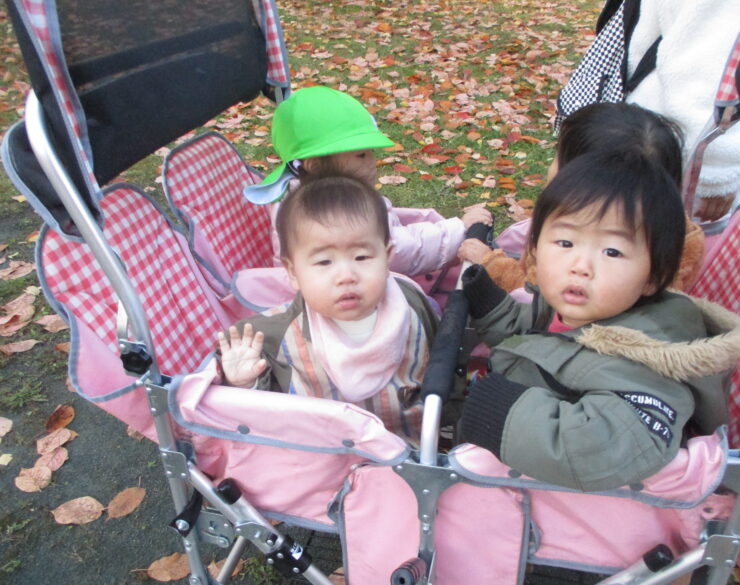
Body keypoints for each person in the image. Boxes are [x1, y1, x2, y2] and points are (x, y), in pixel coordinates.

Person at [458, 150, 740, 492]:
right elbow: (538, 342)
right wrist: (491, 306)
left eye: (612, 252)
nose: (581, 265)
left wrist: (496, 409)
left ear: (654, 277)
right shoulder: (581, 310)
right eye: (565, 242)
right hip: (507, 427)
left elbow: (604, 447)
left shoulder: (649, 362)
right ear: (536, 250)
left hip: (545, 496)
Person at [218, 174, 439, 439]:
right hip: (322, 457)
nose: (346, 276)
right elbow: (263, 416)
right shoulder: (269, 337)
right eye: (324, 262)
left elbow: (445, 363)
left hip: (412, 451)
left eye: (361, 257)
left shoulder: (412, 307)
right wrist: (245, 383)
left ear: (387, 257)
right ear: (293, 272)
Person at [243, 85, 492, 276]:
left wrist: (434, 223)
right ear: (316, 166)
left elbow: (389, 222)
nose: (373, 162)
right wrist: (456, 230)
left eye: (371, 152)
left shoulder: (323, 193)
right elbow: (396, 250)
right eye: (361, 155)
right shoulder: (326, 212)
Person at [458, 102, 705, 294]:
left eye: (557, 156)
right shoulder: (671, 228)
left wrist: (491, 266)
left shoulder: (582, 244)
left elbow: (538, 300)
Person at [624, 0, 740, 226]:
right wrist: (714, 173)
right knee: (672, 242)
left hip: (657, 136)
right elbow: (704, 65)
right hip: (683, 150)